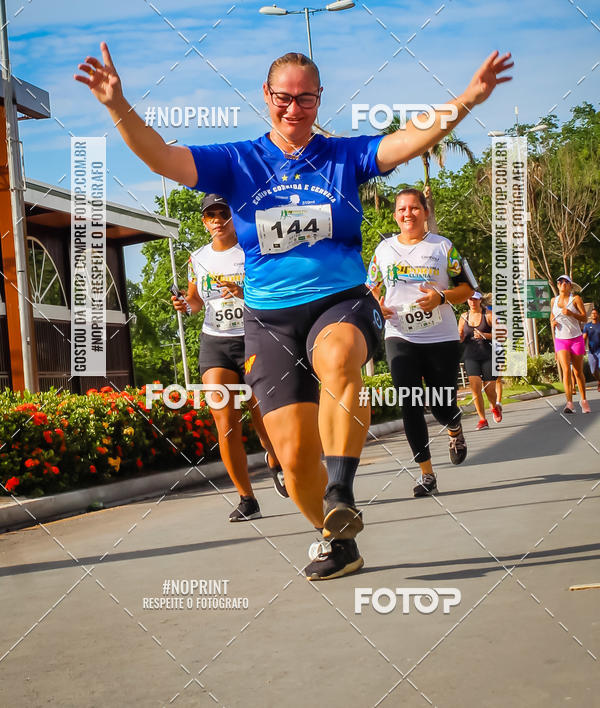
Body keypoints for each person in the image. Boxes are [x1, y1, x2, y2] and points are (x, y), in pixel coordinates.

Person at [75, 42, 512, 580]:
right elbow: (162, 156)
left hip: (339, 300)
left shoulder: (343, 155)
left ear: (319, 100)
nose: (294, 108)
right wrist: (118, 106)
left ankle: (341, 488)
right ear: (266, 95)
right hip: (268, 319)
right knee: (293, 455)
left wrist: (469, 97)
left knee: (338, 361)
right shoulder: (237, 161)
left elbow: (409, 138)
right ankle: (336, 537)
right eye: (285, 97)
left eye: (307, 99)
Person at [172, 193, 287, 523]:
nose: (217, 220)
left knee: (261, 415)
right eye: (211, 215)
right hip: (215, 342)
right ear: (204, 222)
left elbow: (276, 290)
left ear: (234, 215)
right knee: (225, 423)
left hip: (253, 339)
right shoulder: (199, 257)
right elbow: (196, 301)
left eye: (223, 213)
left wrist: (244, 292)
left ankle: (275, 458)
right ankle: (246, 498)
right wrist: (185, 305)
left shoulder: (254, 250)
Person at [368, 189, 475, 497]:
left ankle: (453, 427)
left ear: (425, 212)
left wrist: (441, 297)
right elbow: (371, 287)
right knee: (410, 404)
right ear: (394, 216)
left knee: (442, 406)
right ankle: (427, 474)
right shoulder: (384, 249)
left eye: (415, 208)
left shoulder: (443, 247)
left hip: (439, 336)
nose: (408, 214)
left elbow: (469, 288)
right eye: (402, 209)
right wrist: (378, 305)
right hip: (399, 335)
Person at [458, 293, 502, 429]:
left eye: (475, 299)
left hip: (488, 355)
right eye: (470, 299)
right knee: (475, 388)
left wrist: (485, 335)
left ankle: (494, 406)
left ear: (480, 300)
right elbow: (459, 335)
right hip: (470, 356)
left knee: (489, 390)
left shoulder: (488, 315)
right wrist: (459, 336)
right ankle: (482, 419)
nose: (472, 301)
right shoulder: (463, 317)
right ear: (467, 300)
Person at [551, 275, 590, 413]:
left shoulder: (576, 299)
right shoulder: (553, 301)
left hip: (576, 338)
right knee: (566, 371)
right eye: (560, 281)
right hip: (561, 340)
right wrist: (553, 323)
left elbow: (585, 318)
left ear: (570, 285)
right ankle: (569, 404)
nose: (562, 283)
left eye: (565, 282)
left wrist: (571, 314)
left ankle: (584, 400)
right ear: (557, 285)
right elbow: (552, 318)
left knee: (578, 372)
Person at [583, 307, 600, 394]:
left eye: (595, 313)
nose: (594, 315)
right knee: (593, 371)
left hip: (599, 350)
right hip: (591, 351)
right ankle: (599, 380)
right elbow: (584, 338)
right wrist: (582, 348)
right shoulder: (587, 326)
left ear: (598, 315)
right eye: (592, 313)